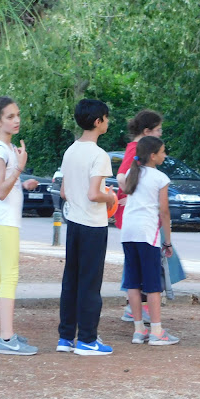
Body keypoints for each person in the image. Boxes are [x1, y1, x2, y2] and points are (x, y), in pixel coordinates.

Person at [0, 96, 40, 355]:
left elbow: (1, 186)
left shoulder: (5, 148)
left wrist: (22, 183)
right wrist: (19, 170)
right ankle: (6, 338)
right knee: (9, 277)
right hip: (5, 220)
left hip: (1, 218)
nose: (16, 120)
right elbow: (1, 191)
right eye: (10, 116)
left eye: (17, 115)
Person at [57, 99, 117, 356]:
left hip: (74, 223)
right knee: (90, 283)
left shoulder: (70, 151)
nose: (108, 122)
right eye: (106, 117)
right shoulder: (99, 155)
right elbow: (94, 194)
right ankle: (88, 340)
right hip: (93, 225)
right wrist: (110, 197)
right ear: (97, 121)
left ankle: (65, 337)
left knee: (71, 280)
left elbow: (64, 191)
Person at [121, 136, 179, 346]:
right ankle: (156, 331)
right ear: (153, 156)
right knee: (153, 283)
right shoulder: (160, 178)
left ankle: (139, 330)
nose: (165, 155)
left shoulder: (132, 173)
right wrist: (168, 241)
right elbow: (164, 210)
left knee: (133, 282)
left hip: (128, 232)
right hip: (147, 233)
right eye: (163, 152)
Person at [115, 109, 163, 323]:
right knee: (140, 265)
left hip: (135, 219)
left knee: (136, 263)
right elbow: (121, 176)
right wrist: (130, 196)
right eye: (158, 130)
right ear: (147, 131)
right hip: (140, 219)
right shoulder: (136, 149)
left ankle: (136, 307)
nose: (160, 134)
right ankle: (135, 308)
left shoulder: (135, 148)